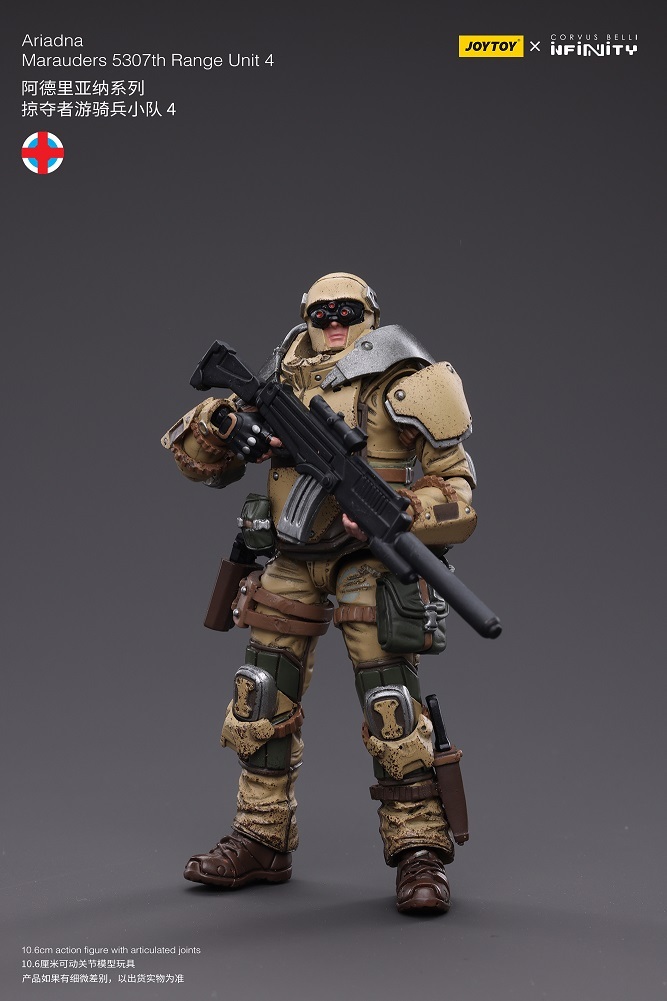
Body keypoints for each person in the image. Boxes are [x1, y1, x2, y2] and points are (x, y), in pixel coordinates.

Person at [162, 272, 478, 914]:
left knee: (391, 703)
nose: (334, 321)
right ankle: (261, 836)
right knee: (259, 694)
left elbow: (460, 492)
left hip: (370, 562)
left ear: (371, 315)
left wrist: (406, 511)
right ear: (306, 315)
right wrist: (224, 423)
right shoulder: (279, 376)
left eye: (348, 311)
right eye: (322, 311)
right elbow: (196, 462)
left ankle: (418, 849)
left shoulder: (407, 379)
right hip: (291, 558)